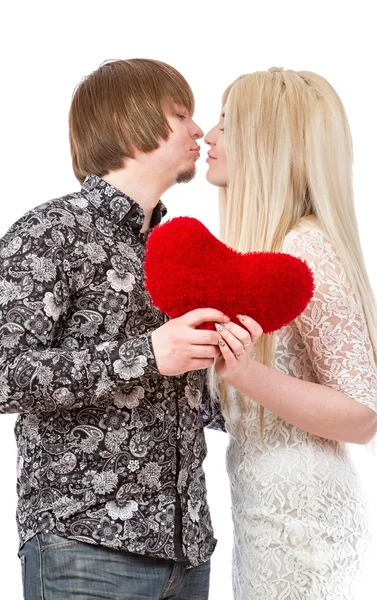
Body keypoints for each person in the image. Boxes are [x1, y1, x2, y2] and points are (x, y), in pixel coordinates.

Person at [0, 58, 230, 600]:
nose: (199, 131)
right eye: (181, 114)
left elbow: (176, 397)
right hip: (86, 547)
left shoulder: (175, 249)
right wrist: (147, 354)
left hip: (188, 552)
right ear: (130, 123)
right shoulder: (50, 232)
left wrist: (231, 378)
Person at [204, 67, 377, 599]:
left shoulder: (306, 248)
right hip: (269, 521)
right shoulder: (270, 249)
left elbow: (362, 414)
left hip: (303, 531)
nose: (208, 136)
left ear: (265, 145)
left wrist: (246, 374)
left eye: (227, 125)